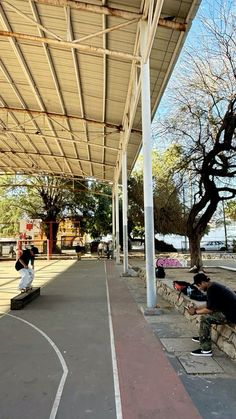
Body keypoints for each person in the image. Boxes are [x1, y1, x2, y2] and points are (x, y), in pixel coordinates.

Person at [187, 272, 236, 357]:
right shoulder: (213, 286)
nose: (199, 289)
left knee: (205, 319)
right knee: (205, 317)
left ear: (203, 282)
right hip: (228, 311)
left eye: (199, 286)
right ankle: (203, 337)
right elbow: (209, 304)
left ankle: (206, 350)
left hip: (230, 315)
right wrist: (196, 308)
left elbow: (209, 310)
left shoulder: (212, 289)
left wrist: (194, 312)